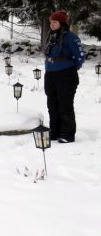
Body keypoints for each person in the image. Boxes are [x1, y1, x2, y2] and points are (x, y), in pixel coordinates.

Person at [43, 10, 85, 143]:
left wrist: (72, 68)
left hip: (66, 75)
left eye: (55, 22)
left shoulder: (71, 37)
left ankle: (67, 134)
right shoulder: (51, 36)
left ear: (61, 23)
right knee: (52, 104)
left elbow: (80, 55)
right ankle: (54, 132)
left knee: (64, 104)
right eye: (51, 22)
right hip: (50, 74)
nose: (52, 24)